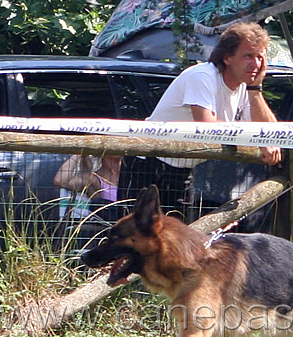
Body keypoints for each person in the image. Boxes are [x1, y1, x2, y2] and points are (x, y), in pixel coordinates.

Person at [121, 22, 282, 217]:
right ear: (227, 57)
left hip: (183, 170)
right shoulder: (202, 76)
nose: (256, 64)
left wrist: (256, 90)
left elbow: (270, 133)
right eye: (248, 56)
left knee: (174, 241)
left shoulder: (244, 86)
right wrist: (256, 139)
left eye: (260, 57)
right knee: (135, 238)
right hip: (149, 164)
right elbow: (208, 130)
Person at [54, 154, 123, 220]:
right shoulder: (93, 179)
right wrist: (79, 152)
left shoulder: (131, 172)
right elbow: (60, 181)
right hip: (112, 225)